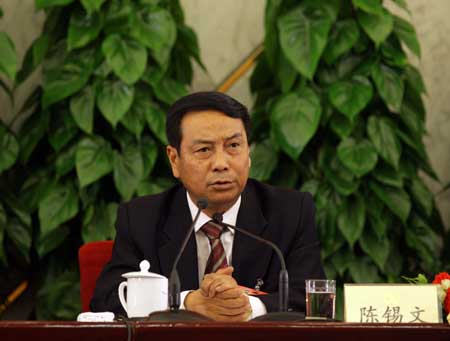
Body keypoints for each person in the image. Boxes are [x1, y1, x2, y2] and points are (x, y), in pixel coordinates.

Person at [91, 91, 325, 321]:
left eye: (233, 146)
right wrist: (186, 303)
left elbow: (312, 300)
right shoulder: (142, 218)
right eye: (204, 150)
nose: (221, 164)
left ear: (248, 153)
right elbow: (107, 299)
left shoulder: (290, 211)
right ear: (174, 160)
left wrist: (245, 306)